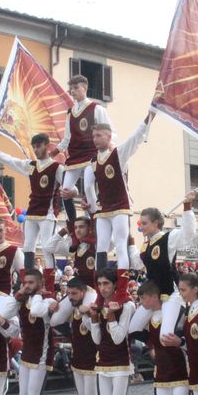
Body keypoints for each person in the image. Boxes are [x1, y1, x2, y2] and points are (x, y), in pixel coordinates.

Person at [66, 110, 155, 304]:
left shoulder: (118, 153)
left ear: (108, 136)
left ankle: (122, 292)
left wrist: (150, 114)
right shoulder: (93, 162)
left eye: (98, 136)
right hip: (103, 209)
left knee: (121, 247)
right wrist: (89, 204)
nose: (95, 140)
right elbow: (88, 186)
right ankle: (100, 294)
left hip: (121, 206)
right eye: (93, 136)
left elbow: (136, 137)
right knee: (101, 248)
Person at [0, 132, 63, 284]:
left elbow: (68, 186)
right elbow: (11, 161)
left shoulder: (57, 168)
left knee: (47, 248)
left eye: (38, 146)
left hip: (48, 214)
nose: (36, 150)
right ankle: (28, 281)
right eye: (34, 147)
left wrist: (74, 192)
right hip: (32, 213)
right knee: (27, 247)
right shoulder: (31, 166)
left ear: (47, 146)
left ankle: (51, 287)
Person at [129, 281, 191, 395]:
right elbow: (138, 333)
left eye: (143, 299)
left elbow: (185, 335)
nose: (141, 303)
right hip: (161, 372)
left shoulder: (174, 312)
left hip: (179, 370)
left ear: (154, 296)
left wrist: (179, 341)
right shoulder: (150, 317)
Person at [49, 277, 105, 395]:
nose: (71, 297)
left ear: (83, 292)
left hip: (92, 362)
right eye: (68, 293)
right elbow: (60, 325)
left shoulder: (91, 306)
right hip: (78, 360)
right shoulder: (72, 310)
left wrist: (88, 313)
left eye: (74, 293)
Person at [85, 268, 136, 395]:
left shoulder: (127, 304)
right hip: (102, 363)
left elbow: (118, 337)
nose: (103, 288)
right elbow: (97, 339)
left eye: (106, 283)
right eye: (99, 284)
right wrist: (95, 318)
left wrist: (112, 316)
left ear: (115, 284)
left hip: (121, 363)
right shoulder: (100, 304)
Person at [129, 192, 197, 339]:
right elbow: (136, 263)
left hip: (170, 294)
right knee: (133, 329)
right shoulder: (146, 245)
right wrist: (130, 245)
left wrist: (187, 207)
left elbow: (189, 233)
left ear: (155, 223)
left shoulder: (169, 238)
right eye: (141, 223)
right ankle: (154, 348)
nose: (141, 227)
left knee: (166, 336)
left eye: (144, 223)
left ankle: (182, 344)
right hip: (153, 296)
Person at [51, 74, 115, 221]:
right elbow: (67, 138)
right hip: (74, 156)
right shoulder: (70, 113)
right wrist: (53, 152)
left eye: (76, 88)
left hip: (91, 155)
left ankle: (93, 219)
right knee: (64, 191)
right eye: (71, 89)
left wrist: (110, 147)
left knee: (88, 187)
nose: (72, 91)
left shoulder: (96, 108)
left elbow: (108, 131)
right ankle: (72, 224)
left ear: (84, 88)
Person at [14, 269, 55, 395]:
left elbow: (38, 311)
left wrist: (37, 294)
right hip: (27, 354)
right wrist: (19, 295)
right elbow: (6, 310)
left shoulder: (48, 298)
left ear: (40, 282)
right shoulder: (23, 299)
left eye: (31, 282)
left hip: (41, 354)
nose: (27, 285)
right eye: (25, 282)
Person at [44, 216, 97, 291]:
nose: (78, 230)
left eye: (81, 227)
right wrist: (63, 231)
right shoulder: (72, 245)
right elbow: (48, 247)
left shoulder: (96, 244)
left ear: (89, 228)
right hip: (78, 289)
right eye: (75, 228)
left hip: (94, 289)